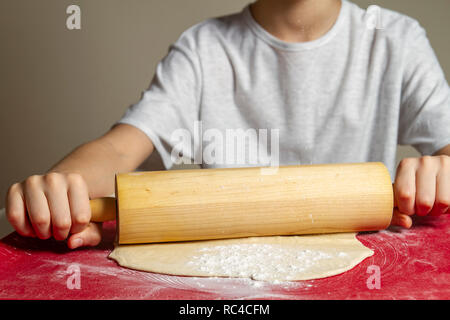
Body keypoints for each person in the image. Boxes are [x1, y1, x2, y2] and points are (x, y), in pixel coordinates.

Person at [5, 0, 449, 249]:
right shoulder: (205, 51)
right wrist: (65, 190)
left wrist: (441, 168)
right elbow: (122, 149)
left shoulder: (395, 42)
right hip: (229, 285)